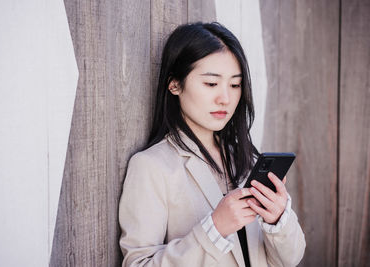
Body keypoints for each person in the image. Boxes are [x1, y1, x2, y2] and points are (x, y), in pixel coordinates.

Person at [119, 22, 305, 267]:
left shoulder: (247, 159)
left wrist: (277, 220)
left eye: (235, 85)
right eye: (211, 83)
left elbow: (289, 260)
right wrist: (214, 228)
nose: (225, 98)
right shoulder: (151, 167)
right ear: (174, 84)